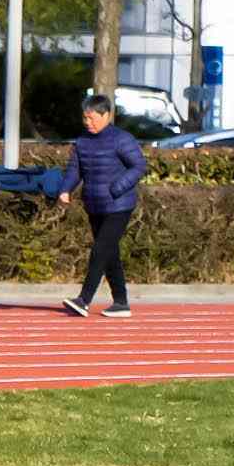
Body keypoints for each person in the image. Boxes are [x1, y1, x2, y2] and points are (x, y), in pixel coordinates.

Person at [58, 91, 148, 317]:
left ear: (106, 115)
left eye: (92, 118)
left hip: (119, 205)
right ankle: (121, 303)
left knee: (100, 250)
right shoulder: (82, 141)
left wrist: (117, 188)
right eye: (85, 118)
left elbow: (138, 166)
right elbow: (75, 169)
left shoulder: (122, 139)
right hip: (94, 204)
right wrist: (65, 189)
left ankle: (84, 300)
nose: (88, 122)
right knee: (110, 253)